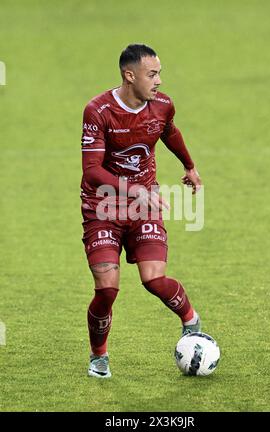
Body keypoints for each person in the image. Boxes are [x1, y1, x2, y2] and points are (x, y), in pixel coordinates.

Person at [80, 44, 202, 378]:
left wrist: (189, 167)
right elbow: (92, 170)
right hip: (102, 207)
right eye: (152, 74)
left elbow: (169, 131)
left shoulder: (162, 106)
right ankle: (98, 355)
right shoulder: (98, 110)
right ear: (129, 75)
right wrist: (134, 190)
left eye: (160, 72)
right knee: (107, 288)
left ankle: (191, 321)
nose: (159, 80)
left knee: (153, 279)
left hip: (144, 206)